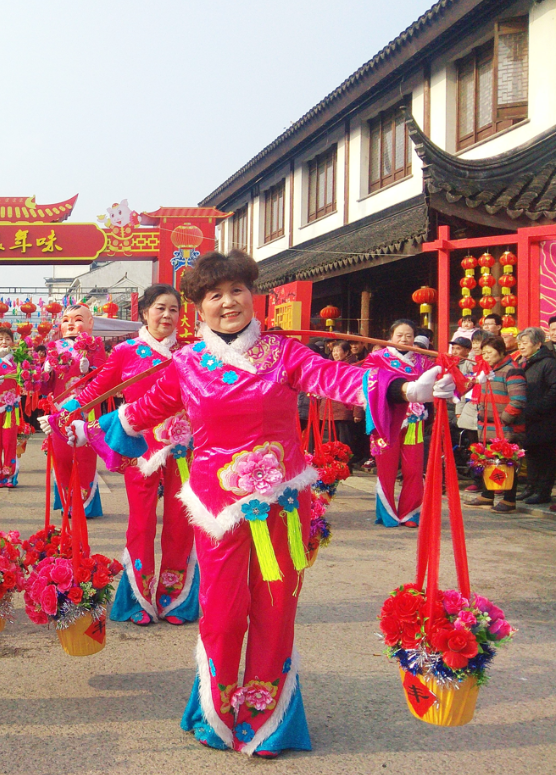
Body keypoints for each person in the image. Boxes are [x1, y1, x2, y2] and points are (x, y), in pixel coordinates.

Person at [52, 250, 452, 756]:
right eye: (214, 295)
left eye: (236, 290)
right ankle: (217, 714)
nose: (228, 302)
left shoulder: (285, 354)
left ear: (252, 294)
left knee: (275, 610)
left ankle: (267, 719)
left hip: (281, 503)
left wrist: (404, 387)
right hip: (216, 508)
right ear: (200, 309)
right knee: (221, 614)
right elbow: (142, 410)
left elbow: (336, 378)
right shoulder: (187, 363)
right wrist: (81, 427)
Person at [68, 284, 198, 626]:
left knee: (180, 522)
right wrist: (65, 411)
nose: (167, 315)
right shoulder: (126, 351)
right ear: (144, 313)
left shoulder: (192, 352)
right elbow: (98, 389)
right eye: (160, 308)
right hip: (139, 447)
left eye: (174, 309)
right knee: (141, 523)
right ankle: (138, 598)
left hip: (184, 448)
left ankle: (175, 598)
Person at [363, 320, 434, 527]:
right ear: (391, 337)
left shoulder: (422, 360)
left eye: (409, 336)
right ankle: (387, 513)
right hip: (386, 420)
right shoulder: (376, 358)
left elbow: (436, 380)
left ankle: (411, 513)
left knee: (413, 468)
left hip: (414, 422)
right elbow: (365, 382)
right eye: (400, 335)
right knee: (387, 469)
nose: (404, 340)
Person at [43, 304, 105, 517]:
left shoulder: (96, 346)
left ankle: (84, 504)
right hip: (60, 408)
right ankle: (66, 501)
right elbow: (45, 387)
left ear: (90, 323)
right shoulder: (54, 347)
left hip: (86, 409)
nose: (71, 324)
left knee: (84, 456)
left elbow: (105, 377)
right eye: (66, 319)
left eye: (78, 319)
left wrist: (91, 368)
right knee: (61, 456)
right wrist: (44, 374)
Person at [466, 335, 525, 513]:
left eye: (490, 352)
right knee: (488, 460)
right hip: (486, 425)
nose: (486, 356)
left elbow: (518, 401)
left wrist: (504, 419)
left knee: (507, 461)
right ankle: (487, 494)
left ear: (501, 351)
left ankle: (509, 499)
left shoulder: (512, 370)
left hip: (504, 426)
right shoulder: (488, 370)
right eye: (483, 353)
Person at [516, 327, 556, 506]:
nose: (521, 346)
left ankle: (543, 491)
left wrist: (538, 407)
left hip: (545, 417)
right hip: (530, 416)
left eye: (525, 343)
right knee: (531, 452)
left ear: (538, 344)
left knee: (545, 455)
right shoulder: (524, 362)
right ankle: (530, 487)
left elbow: (554, 389)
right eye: (519, 343)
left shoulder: (548, 363)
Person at [0, 327, 22, 487]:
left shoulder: (18, 359)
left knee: (9, 441)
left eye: (7, 339)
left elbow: (26, 378)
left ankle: (9, 475)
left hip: (10, 407)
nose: (3, 342)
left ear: (12, 342)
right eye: (0, 339)